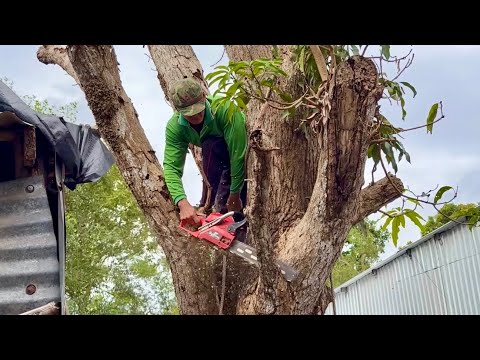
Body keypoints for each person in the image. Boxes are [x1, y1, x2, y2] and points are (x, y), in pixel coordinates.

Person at [163, 78, 247, 226]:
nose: (196, 116)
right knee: (209, 147)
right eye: (190, 114)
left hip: (240, 154)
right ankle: (221, 213)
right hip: (217, 162)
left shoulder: (224, 108)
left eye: (199, 109)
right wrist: (182, 202)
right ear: (179, 111)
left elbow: (237, 154)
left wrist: (234, 195)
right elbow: (171, 167)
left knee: (212, 144)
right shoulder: (175, 127)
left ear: (204, 97)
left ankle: (225, 207)